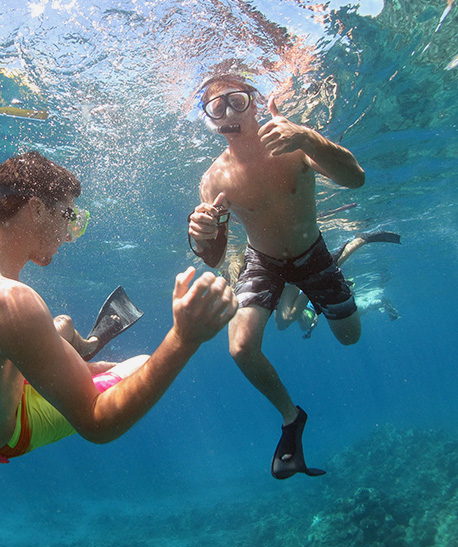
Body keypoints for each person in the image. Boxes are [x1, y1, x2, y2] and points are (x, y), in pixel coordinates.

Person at [0, 151, 238, 463]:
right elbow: (97, 424)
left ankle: (78, 349)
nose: (69, 237)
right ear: (37, 209)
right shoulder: (16, 301)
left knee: (56, 327)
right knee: (138, 364)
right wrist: (184, 338)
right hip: (10, 434)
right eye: (69, 217)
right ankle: (79, 349)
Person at [188, 74, 365, 479]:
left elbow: (356, 178)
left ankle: (324, 275)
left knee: (350, 337)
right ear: (210, 121)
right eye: (217, 108)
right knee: (240, 348)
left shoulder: (294, 142)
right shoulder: (213, 179)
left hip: (313, 253)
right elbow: (214, 258)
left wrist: (307, 137)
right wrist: (201, 237)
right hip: (262, 261)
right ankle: (291, 417)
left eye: (236, 101)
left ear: (255, 101)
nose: (229, 113)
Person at [274, 230, 402, 337]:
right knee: (282, 323)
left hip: (299, 280)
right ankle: (361, 240)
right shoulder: (307, 312)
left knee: (283, 322)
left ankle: (361, 240)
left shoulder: (305, 312)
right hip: (302, 285)